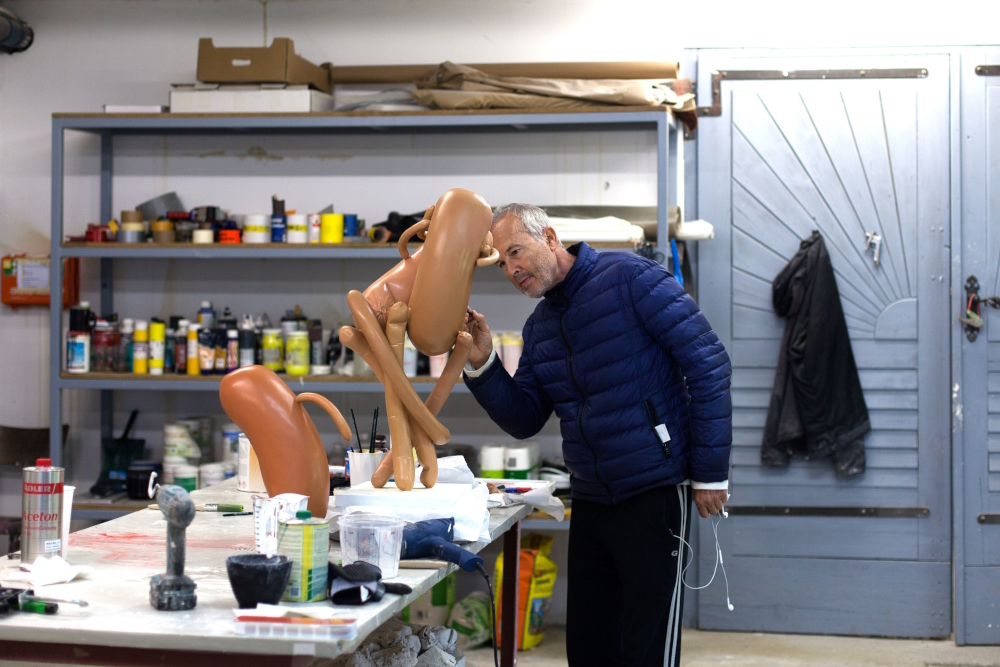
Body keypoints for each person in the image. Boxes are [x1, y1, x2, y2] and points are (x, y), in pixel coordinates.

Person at [462, 204, 732, 667]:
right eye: (502, 263)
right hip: (589, 501)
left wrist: (709, 473)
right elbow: (526, 417)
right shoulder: (541, 327)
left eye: (516, 252)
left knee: (647, 651)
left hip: (654, 491)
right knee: (589, 648)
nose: (511, 269)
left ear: (549, 237)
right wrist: (483, 364)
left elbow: (708, 363)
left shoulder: (631, 278)